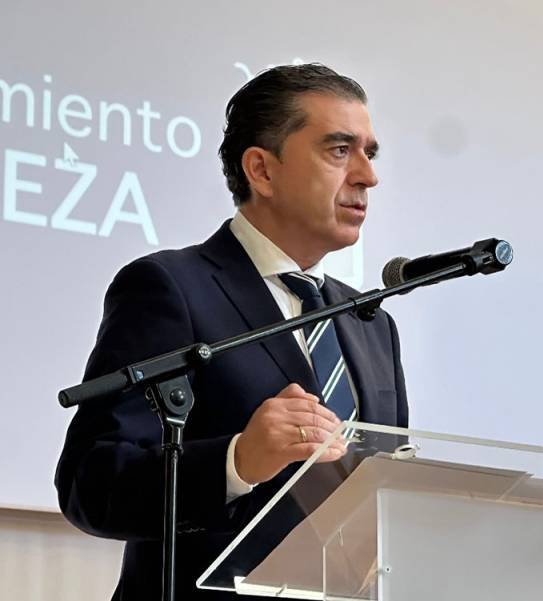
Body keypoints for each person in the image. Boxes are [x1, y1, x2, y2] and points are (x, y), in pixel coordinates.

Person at [56, 63, 408, 600]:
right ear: (261, 170)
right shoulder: (171, 288)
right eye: (340, 150)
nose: (367, 176)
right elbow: (92, 484)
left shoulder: (371, 322)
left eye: (370, 153)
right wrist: (236, 461)